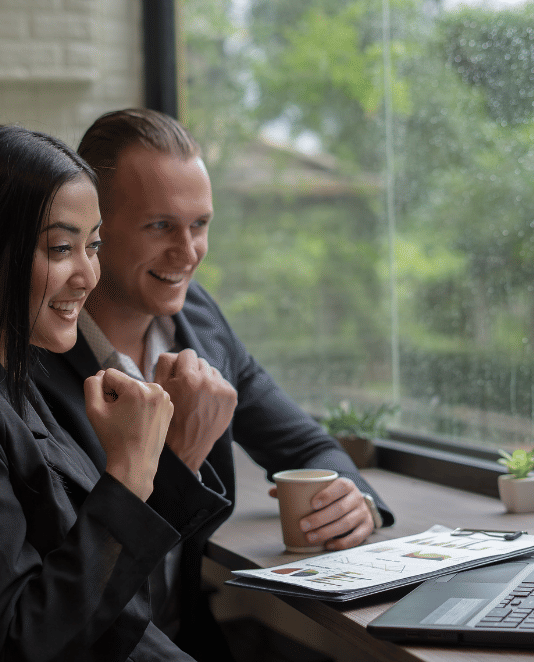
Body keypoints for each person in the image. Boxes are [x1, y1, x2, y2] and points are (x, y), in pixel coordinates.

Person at [0, 124, 229, 662]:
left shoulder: (10, 385)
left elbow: (96, 586)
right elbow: (16, 645)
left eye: (93, 245)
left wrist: (154, 464)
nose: (87, 275)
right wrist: (129, 473)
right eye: (61, 248)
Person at [33, 108, 395, 661]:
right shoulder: (37, 359)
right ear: (95, 232)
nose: (188, 252)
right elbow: (71, 598)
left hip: (192, 637)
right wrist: (178, 459)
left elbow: (305, 445)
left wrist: (354, 499)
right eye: (159, 226)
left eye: (199, 224)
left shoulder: (197, 319)